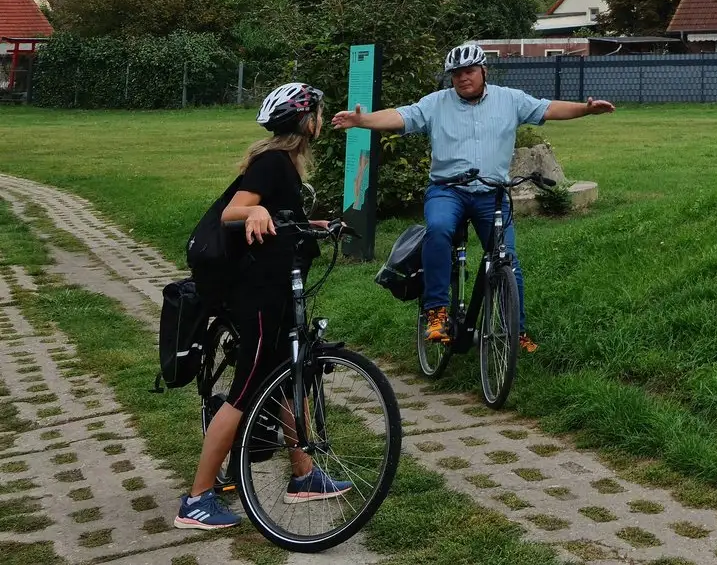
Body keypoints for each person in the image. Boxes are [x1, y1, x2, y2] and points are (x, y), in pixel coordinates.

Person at [331, 41, 612, 352]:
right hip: (447, 190)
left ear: (483, 71)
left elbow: (548, 108)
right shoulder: (437, 103)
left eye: (469, 71)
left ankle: (515, 331)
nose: (463, 78)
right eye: (456, 74)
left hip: (491, 194)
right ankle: (436, 312)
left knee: (507, 260)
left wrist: (586, 110)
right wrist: (363, 121)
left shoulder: (510, 100)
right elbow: (401, 116)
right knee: (438, 230)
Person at [175, 83, 351, 531]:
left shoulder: (286, 166)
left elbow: (276, 216)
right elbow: (236, 212)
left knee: (287, 377)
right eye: (318, 114)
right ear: (307, 121)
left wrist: (308, 224)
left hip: (277, 291)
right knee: (248, 391)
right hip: (256, 296)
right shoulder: (272, 162)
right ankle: (195, 500)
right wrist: (251, 213)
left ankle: (304, 475)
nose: (320, 121)